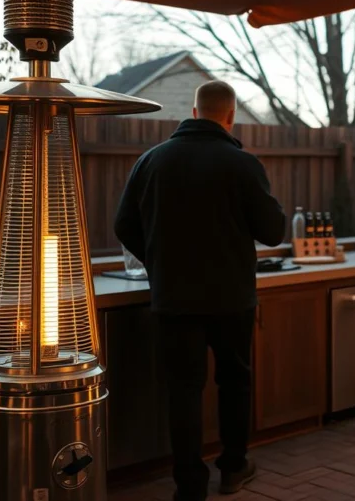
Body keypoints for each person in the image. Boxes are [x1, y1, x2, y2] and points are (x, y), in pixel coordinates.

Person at [115, 80, 285, 501]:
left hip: (174, 298)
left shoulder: (151, 161)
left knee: (184, 390)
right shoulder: (243, 165)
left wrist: (157, 261)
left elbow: (123, 225)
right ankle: (233, 467)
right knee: (234, 382)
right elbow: (274, 231)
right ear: (230, 117)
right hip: (232, 299)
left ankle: (189, 485)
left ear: (193, 113)